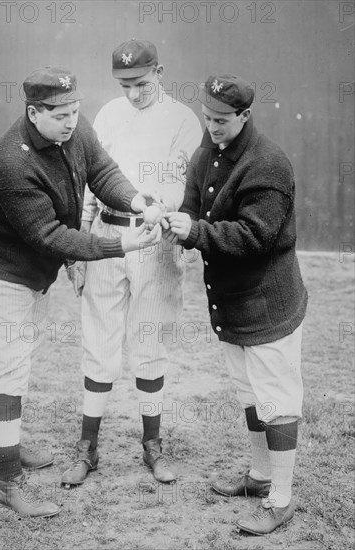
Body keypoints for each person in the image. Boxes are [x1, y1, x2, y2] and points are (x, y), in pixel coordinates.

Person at [0, 65, 162, 517]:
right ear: (34, 113)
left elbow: (103, 171)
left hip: (33, 271)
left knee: (18, 359)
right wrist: (119, 244)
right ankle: (7, 481)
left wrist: (137, 202)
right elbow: (51, 236)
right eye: (60, 114)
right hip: (2, 271)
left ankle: (2, 448)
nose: (72, 121)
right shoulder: (11, 162)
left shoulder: (72, 127)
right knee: (6, 369)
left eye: (75, 110)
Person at [166, 74, 308, 535]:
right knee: (249, 393)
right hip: (230, 303)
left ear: (245, 115)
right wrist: (172, 221)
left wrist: (193, 233)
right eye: (207, 117)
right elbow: (191, 206)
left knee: (277, 399)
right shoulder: (208, 151)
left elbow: (254, 237)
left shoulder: (267, 164)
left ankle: (281, 499)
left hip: (268, 304)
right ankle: (260, 474)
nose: (212, 127)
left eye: (222, 120)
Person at [63, 40, 202, 487]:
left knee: (149, 341)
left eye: (141, 83)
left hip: (155, 240)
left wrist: (166, 212)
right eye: (124, 85)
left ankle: (152, 445)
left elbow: (186, 184)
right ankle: (88, 448)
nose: (133, 93)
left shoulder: (182, 120)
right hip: (106, 233)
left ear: (159, 72)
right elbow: (89, 183)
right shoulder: (106, 115)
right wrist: (80, 245)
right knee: (98, 342)